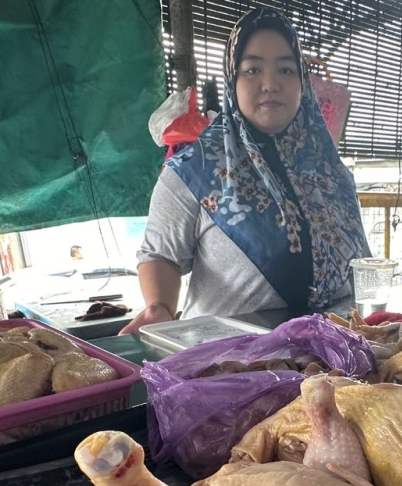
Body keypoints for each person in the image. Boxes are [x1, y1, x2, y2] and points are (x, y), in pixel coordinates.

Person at [120, 7, 369, 334]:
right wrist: (160, 307)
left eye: (285, 69)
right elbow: (160, 254)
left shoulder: (333, 173)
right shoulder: (195, 170)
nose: (270, 84)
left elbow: (363, 267)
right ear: (232, 81)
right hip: (229, 364)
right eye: (252, 70)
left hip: (333, 359)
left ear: (303, 83)